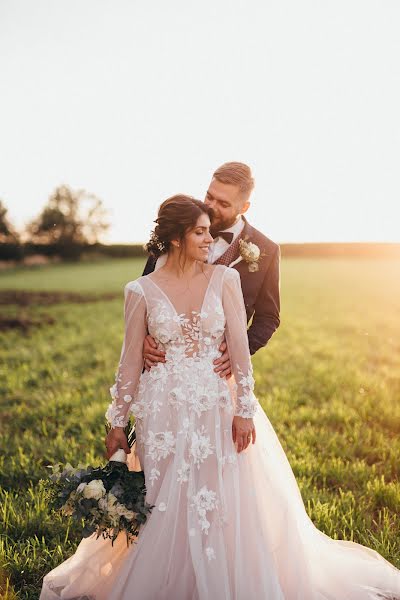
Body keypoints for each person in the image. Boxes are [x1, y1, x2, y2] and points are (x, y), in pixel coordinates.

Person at [40, 195, 400, 599]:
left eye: (208, 230)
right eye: (199, 231)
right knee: (165, 500)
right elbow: (128, 363)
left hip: (217, 405)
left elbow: (240, 353)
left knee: (220, 499)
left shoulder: (224, 280)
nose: (209, 239)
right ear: (176, 238)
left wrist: (244, 411)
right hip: (163, 412)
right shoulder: (139, 291)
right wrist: (118, 423)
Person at [142, 162, 280, 379]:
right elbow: (145, 296)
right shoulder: (175, 231)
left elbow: (269, 316)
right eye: (209, 197)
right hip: (163, 368)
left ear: (244, 207)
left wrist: (240, 351)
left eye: (223, 203)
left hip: (217, 375)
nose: (211, 206)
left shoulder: (267, 250)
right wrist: (143, 339)